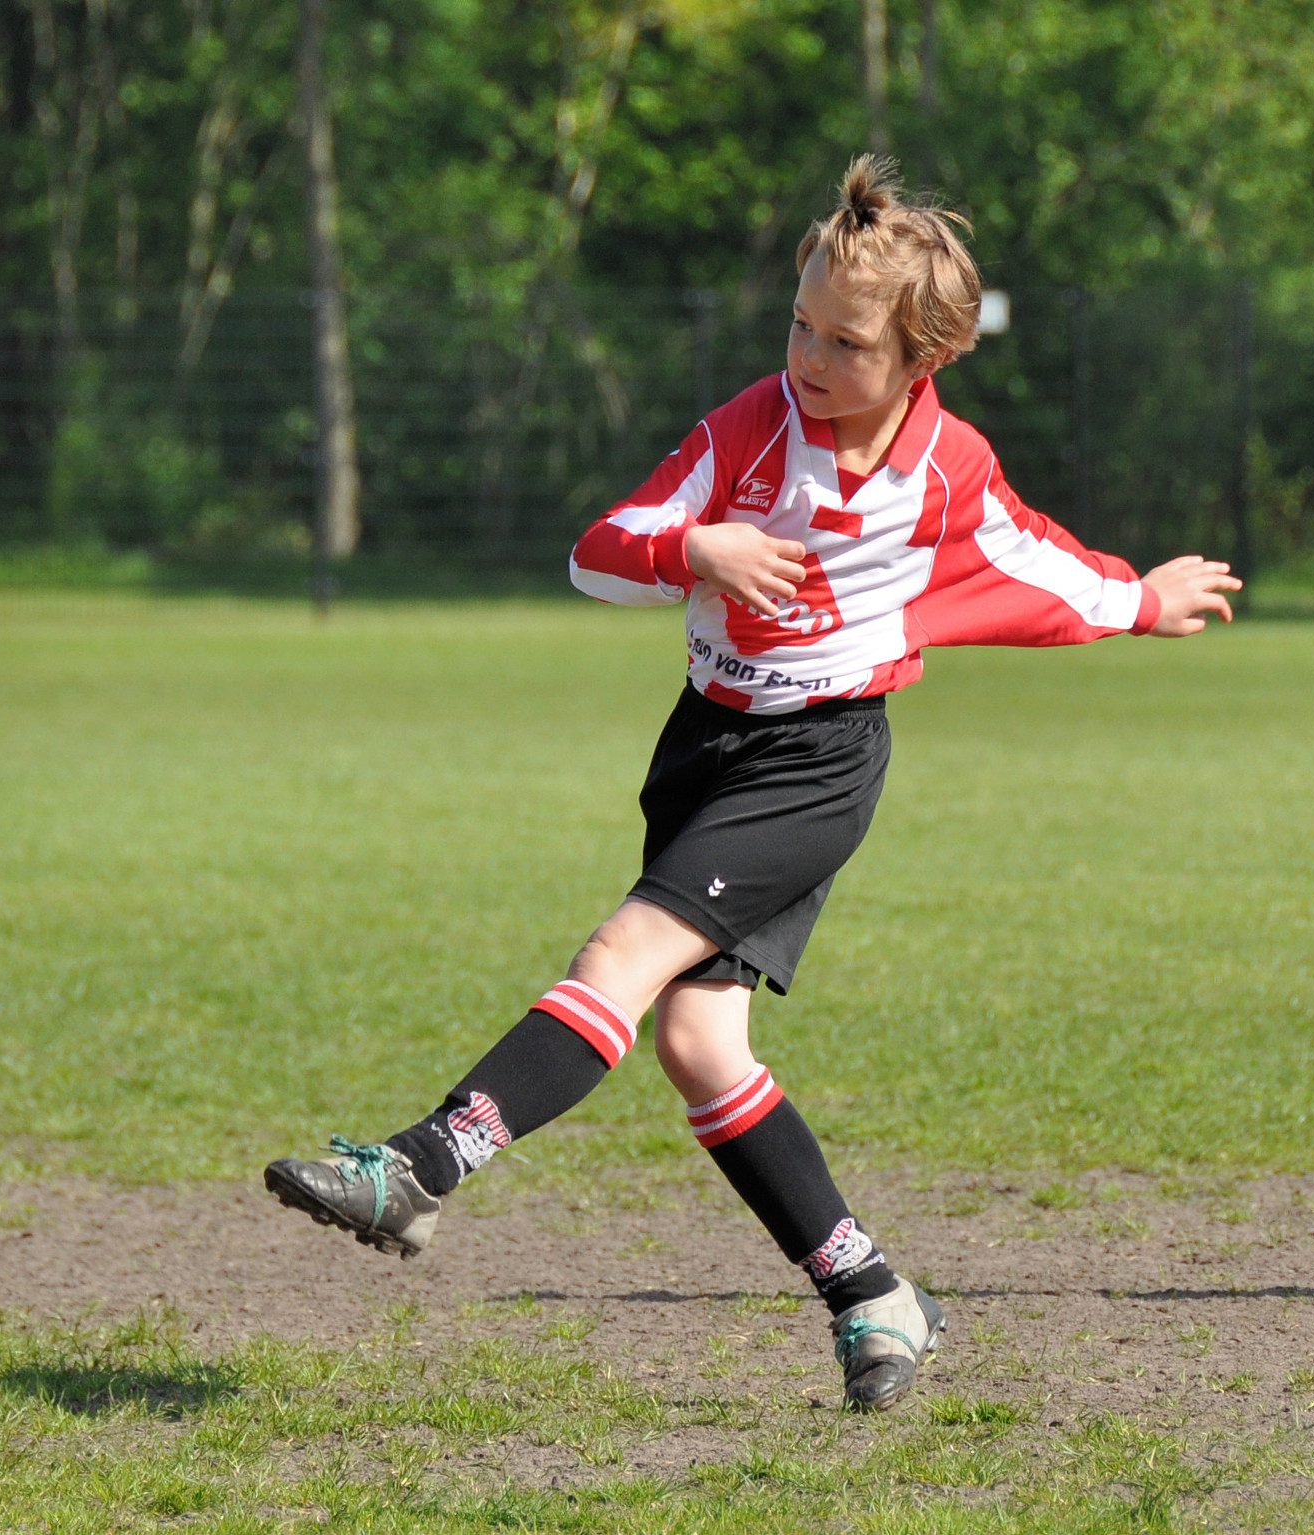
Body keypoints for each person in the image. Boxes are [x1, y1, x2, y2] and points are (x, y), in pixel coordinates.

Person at [264, 156, 1241, 1412]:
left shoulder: (945, 467)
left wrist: (1137, 599)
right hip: (703, 748)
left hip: (815, 762)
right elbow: (597, 553)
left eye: (846, 341)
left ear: (925, 358)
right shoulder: (749, 426)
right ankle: (872, 1291)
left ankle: (420, 1166)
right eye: (800, 323)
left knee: (621, 955)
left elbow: (1032, 558)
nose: (810, 355)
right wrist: (695, 548)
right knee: (697, 1041)